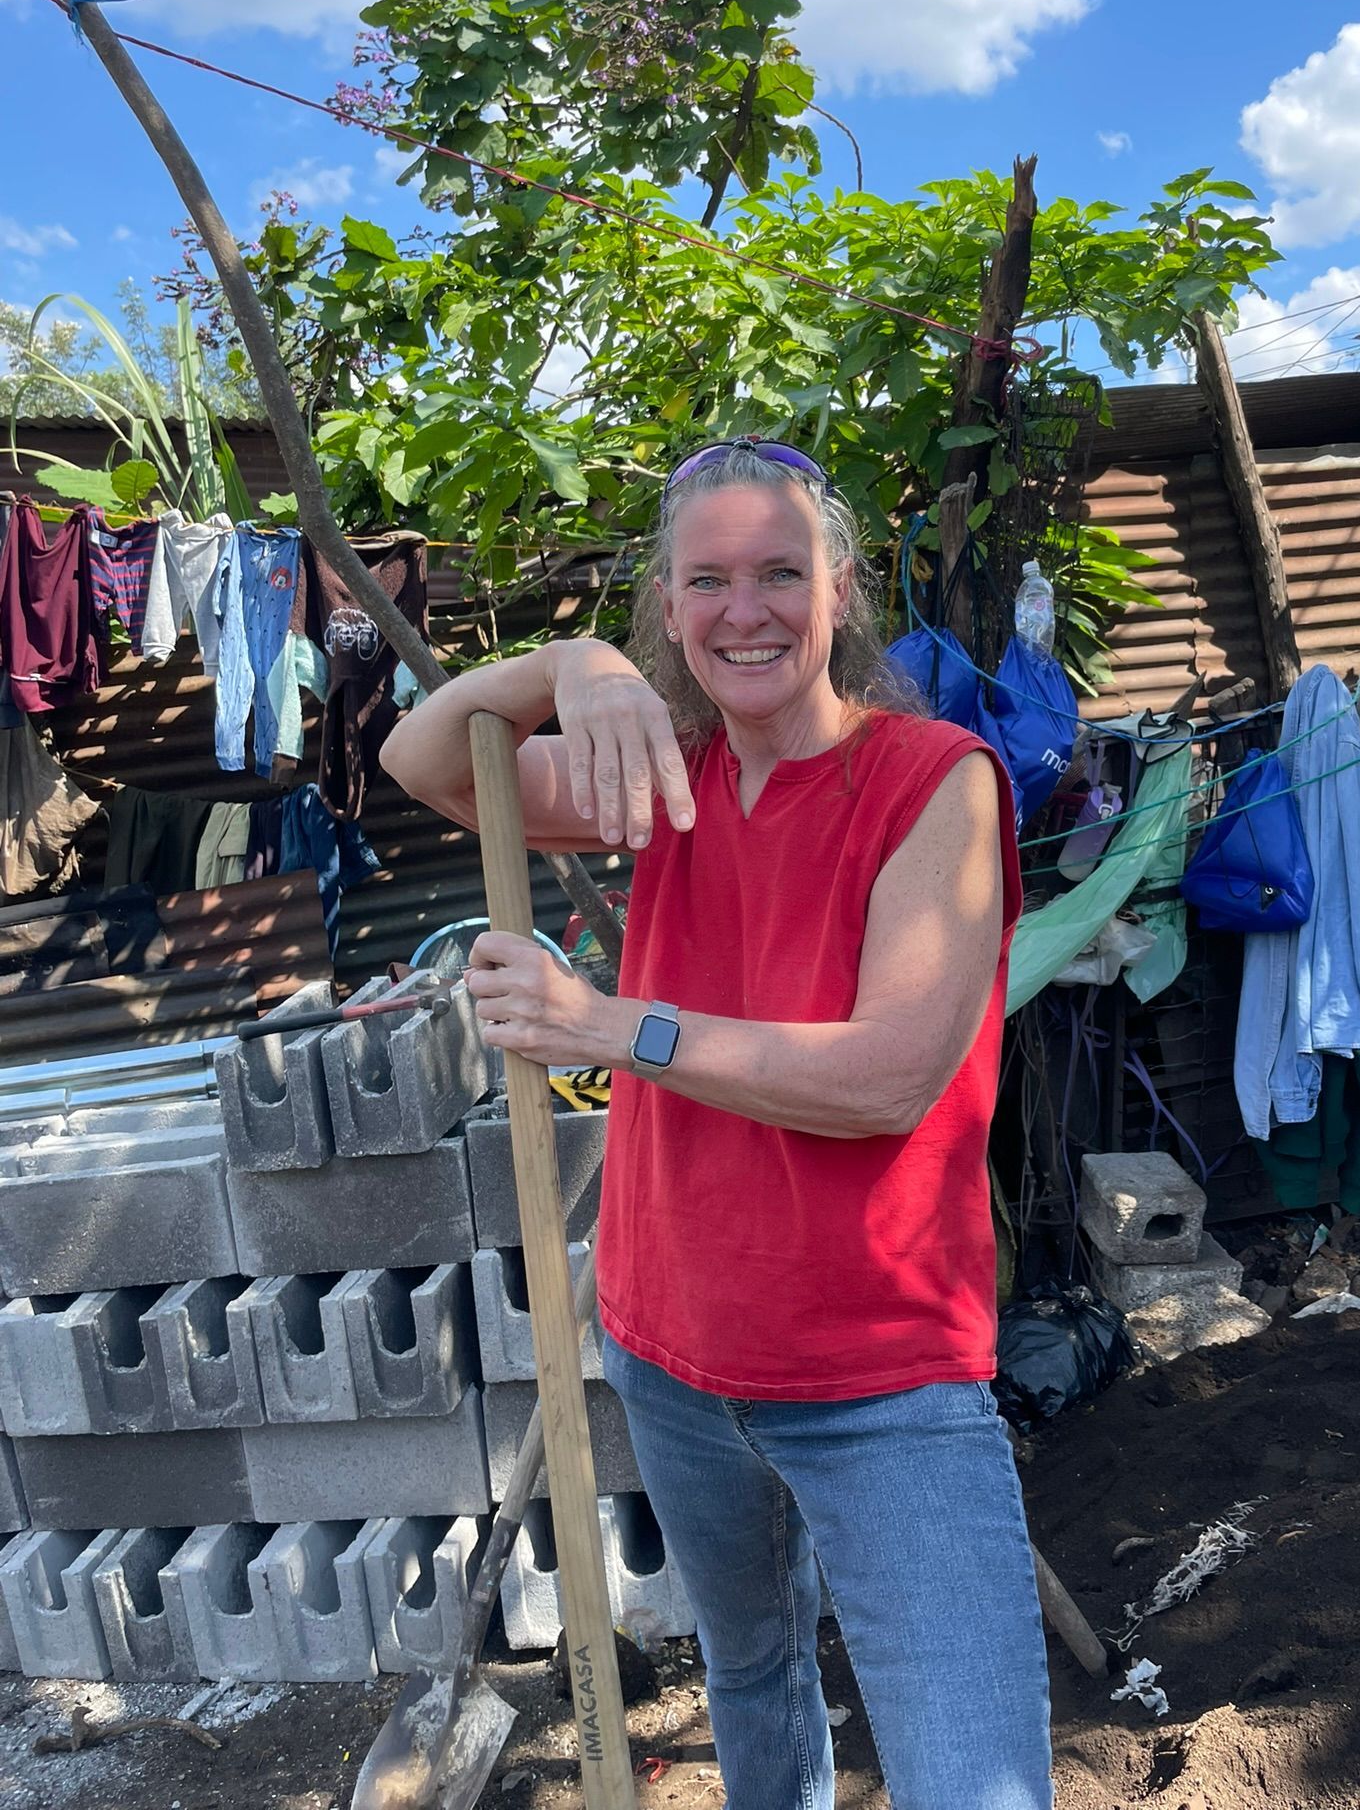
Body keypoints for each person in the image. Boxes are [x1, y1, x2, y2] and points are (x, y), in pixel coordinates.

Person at [380, 438, 1053, 1810]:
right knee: (748, 1673)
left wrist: (605, 1023)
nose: (744, 609)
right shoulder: (668, 778)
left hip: (885, 1382)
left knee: (971, 1780)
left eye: (779, 573)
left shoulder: (937, 783)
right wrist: (568, 665)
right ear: (672, 609)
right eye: (707, 581)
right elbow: (422, 756)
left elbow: (885, 1081)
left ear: (841, 586)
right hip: (671, 1348)